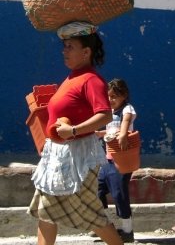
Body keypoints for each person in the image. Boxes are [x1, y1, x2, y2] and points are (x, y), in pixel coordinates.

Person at [27, 22, 124, 245]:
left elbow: (105, 115)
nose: (64, 51)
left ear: (86, 52)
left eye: (70, 46)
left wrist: (72, 130)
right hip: (59, 156)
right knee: (47, 211)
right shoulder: (72, 77)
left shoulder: (91, 80)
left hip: (76, 159)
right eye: (64, 46)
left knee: (90, 214)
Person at [93, 78, 137, 242]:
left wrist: (124, 133)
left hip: (121, 160)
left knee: (119, 194)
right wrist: (99, 134)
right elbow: (111, 131)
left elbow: (125, 121)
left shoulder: (127, 109)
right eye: (108, 97)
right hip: (106, 160)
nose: (110, 100)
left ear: (124, 96)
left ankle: (127, 230)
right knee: (96, 192)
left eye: (114, 97)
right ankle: (105, 226)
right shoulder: (108, 113)